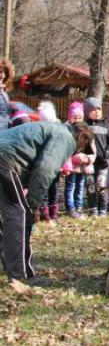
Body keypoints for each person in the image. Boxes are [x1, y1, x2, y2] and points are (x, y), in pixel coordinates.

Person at [0, 121, 90, 284]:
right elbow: (45, 169)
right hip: (4, 159)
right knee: (19, 214)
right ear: (81, 135)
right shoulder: (66, 137)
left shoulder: (51, 128)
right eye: (83, 146)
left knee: (5, 218)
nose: (79, 151)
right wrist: (33, 204)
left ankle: (11, 266)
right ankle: (20, 275)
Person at [84, 97, 109, 217]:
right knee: (91, 185)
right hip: (89, 163)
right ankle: (93, 208)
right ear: (87, 111)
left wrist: (107, 153)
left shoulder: (106, 124)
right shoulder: (85, 125)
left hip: (102, 162)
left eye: (99, 109)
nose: (97, 111)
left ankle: (103, 208)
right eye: (94, 109)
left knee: (101, 185)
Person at [64, 102, 94, 219]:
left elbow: (92, 148)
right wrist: (72, 159)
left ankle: (79, 207)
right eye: (75, 117)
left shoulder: (86, 130)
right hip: (72, 165)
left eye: (80, 117)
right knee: (71, 186)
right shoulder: (67, 130)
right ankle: (70, 208)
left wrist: (88, 158)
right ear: (70, 117)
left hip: (83, 165)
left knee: (80, 186)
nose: (77, 120)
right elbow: (65, 149)